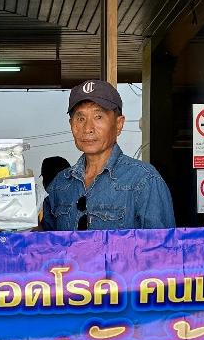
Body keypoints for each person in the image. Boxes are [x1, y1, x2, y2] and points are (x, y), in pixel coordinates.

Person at [42, 79, 174, 230]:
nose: (88, 128)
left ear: (119, 124)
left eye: (98, 117)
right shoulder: (60, 185)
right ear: (71, 124)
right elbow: (45, 242)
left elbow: (163, 244)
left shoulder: (144, 180)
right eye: (81, 118)